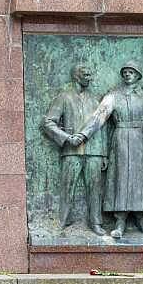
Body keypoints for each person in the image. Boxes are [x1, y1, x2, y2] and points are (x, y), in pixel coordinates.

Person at [76, 61, 143, 239]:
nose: (128, 74)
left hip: (142, 144)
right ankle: (119, 222)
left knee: (141, 181)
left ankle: (141, 218)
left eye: (131, 72)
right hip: (120, 140)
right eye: (125, 72)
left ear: (138, 75)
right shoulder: (114, 96)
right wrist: (83, 135)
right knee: (120, 179)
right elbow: (99, 119)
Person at [41, 63, 107, 236]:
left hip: (94, 151)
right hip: (71, 151)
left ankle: (96, 222)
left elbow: (102, 126)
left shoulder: (96, 99)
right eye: (86, 74)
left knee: (95, 188)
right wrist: (65, 138)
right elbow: (48, 122)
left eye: (90, 74)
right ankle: (62, 220)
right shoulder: (64, 97)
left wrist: (104, 154)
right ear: (76, 76)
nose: (89, 77)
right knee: (67, 186)